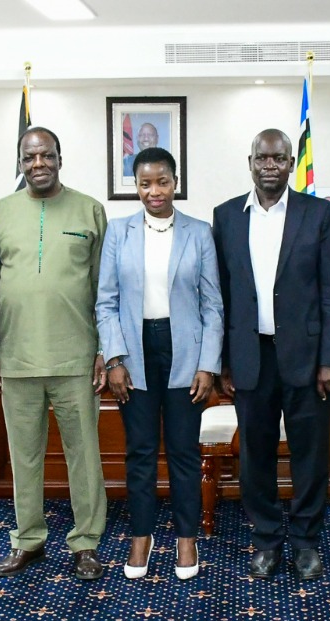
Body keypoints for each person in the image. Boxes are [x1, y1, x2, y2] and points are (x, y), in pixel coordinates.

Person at [212, 129, 330, 581]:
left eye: (279, 158)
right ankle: (266, 538)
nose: (270, 165)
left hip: (307, 359)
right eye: (262, 158)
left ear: (292, 163)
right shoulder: (226, 216)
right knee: (256, 454)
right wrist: (225, 360)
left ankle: (307, 542)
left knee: (310, 453)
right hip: (251, 357)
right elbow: (223, 297)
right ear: (250, 162)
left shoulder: (319, 214)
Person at [0, 127, 110, 581]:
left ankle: (86, 542)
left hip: (76, 357)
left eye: (46, 155)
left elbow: (103, 290)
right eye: (29, 156)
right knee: (25, 456)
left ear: (60, 157)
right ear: (20, 161)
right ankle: (28, 539)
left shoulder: (90, 210)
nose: (38, 163)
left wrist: (104, 350)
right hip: (15, 357)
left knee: (84, 455)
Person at [96, 147, 223, 581]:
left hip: (185, 349)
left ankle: (186, 538)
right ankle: (141, 536)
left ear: (175, 182)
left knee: (184, 451)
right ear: (136, 186)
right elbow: (106, 302)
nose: (155, 191)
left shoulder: (199, 232)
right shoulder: (118, 232)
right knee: (141, 451)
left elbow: (213, 305)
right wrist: (114, 357)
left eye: (162, 181)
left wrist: (208, 364)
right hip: (134, 351)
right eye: (145, 183)